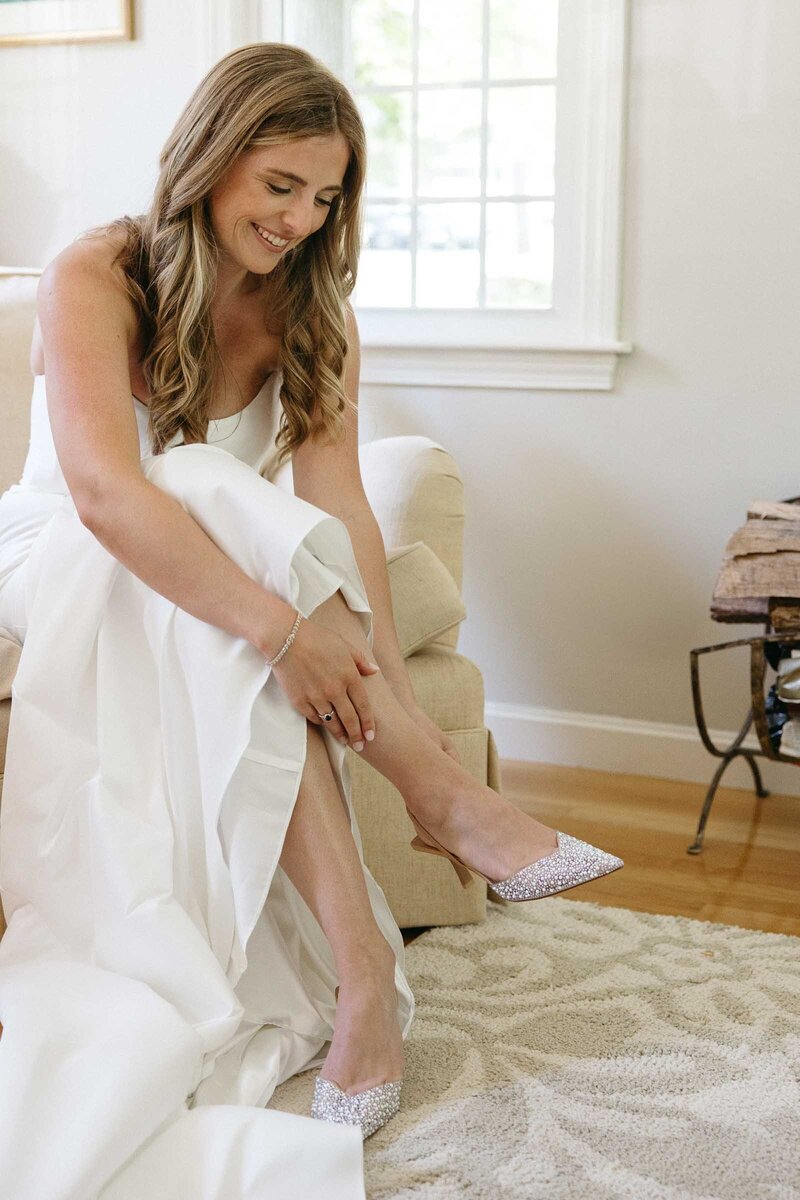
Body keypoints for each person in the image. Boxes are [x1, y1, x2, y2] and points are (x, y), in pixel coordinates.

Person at [0, 41, 623, 1199]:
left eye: (325, 196)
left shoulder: (309, 309)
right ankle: (443, 820)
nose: (299, 219)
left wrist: (370, 674)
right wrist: (290, 637)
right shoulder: (95, 272)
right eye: (278, 185)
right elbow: (104, 490)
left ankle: (362, 974)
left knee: (258, 553)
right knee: (195, 488)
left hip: (202, 581)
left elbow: (339, 522)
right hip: (60, 551)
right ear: (210, 158)